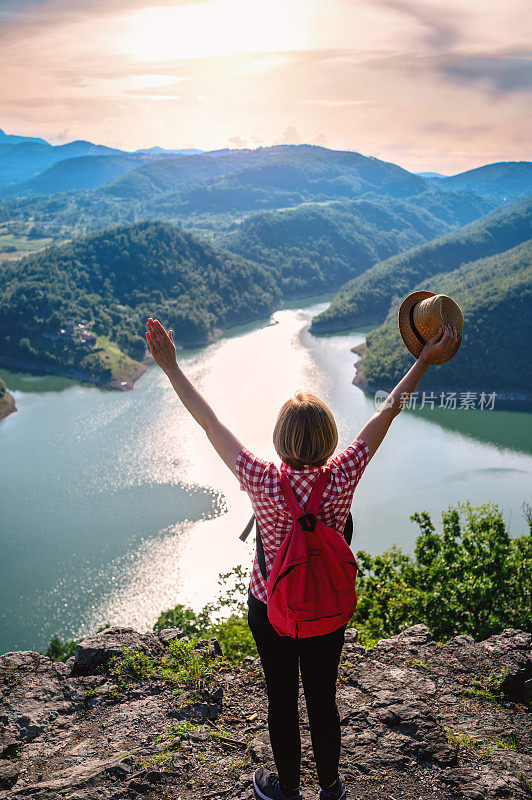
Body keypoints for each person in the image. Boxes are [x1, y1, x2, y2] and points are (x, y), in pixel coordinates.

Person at [145, 316, 460, 800]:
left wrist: (171, 367)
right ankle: (330, 786)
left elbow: (209, 421)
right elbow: (387, 414)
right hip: (327, 606)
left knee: (281, 699)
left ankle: (287, 788)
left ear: (280, 441)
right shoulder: (343, 474)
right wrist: (423, 357)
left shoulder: (262, 479)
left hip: (271, 606)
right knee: (322, 698)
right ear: (330, 439)